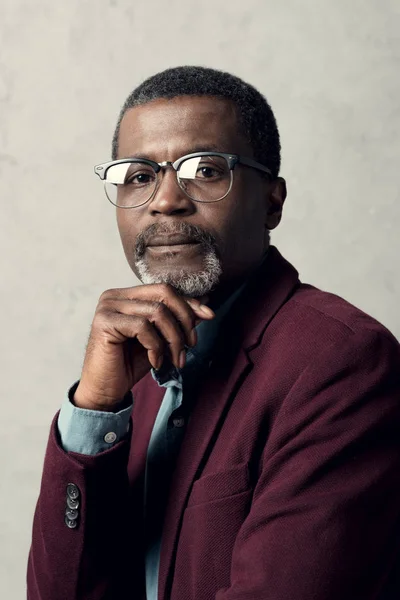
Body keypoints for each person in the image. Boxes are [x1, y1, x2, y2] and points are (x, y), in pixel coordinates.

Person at [27, 66, 400, 600]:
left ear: (272, 201)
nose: (165, 200)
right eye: (138, 175)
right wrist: (94, 411)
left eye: (203, 170)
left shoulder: (342, 360)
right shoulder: (137, 362)